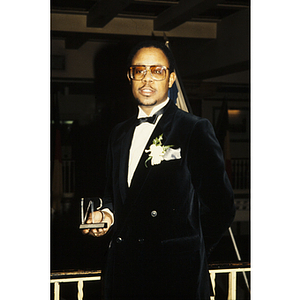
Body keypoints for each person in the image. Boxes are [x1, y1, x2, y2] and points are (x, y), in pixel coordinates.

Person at [83, 40, 236, 300]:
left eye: (157, 70)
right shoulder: (118, 134)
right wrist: (107, 215)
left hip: (175, 278)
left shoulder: (193, 129)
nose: (147, 79)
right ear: (130, 76)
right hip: (124, 274)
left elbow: (221, 207)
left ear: (171, 78)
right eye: (140, 70)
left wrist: (188, 254)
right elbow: (116, 195)